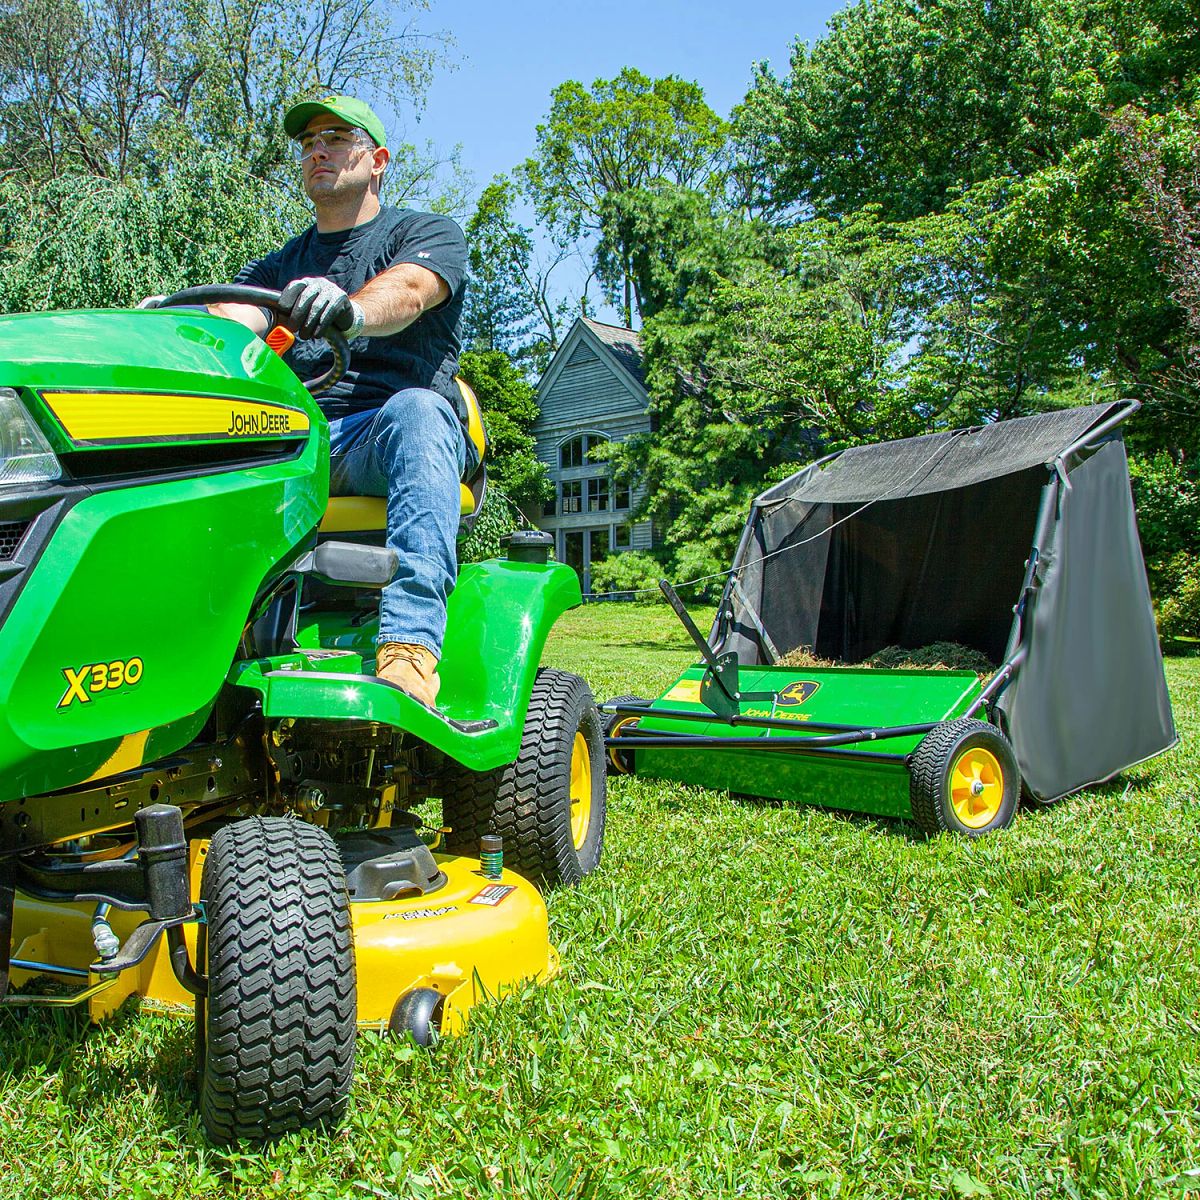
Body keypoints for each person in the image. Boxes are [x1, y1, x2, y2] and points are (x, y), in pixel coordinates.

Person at [209, 95, 469, 709]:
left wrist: (350, 309)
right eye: (307, 143)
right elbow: (232, 315)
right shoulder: (280, 265)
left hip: (382, 432)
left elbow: (408, 291)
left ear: (376, 159)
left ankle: (409, 648)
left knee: (418, 410)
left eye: (334, 137)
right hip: (300, 437)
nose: (316, 150)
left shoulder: (426, 233)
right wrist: (176, 328)